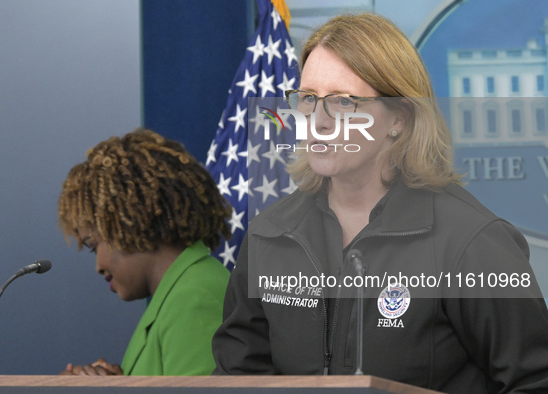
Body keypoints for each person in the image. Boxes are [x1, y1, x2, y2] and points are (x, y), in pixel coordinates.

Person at [212, 13, 548, 393]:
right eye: (308, 98)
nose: (317, 121)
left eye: (342, 101)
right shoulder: (269, 235)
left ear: (399, 119)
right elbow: (237, 380)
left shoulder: (472, 241)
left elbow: (534, 382)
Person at [58, 128, 232, 376]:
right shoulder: (175, 297)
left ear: (131, 223)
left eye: (94, 246)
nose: (98, 266)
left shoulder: (194, 297)